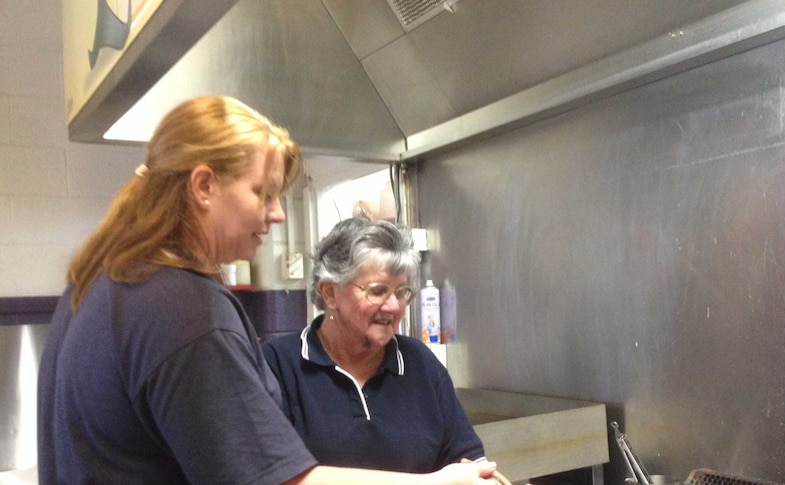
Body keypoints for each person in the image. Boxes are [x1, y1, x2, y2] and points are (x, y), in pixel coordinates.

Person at [37, 95, 498, 485]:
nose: (277, 214)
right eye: (264, 193)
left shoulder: (98, 282)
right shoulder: (184, 309)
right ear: (204, 185)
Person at [262, 218, 487, 473]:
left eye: (402, 292)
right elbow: (276, 475)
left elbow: (471, 463)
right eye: (378, 291)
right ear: (330, 293)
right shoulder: (277, 364)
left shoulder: (419, 362)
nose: (393, 306)